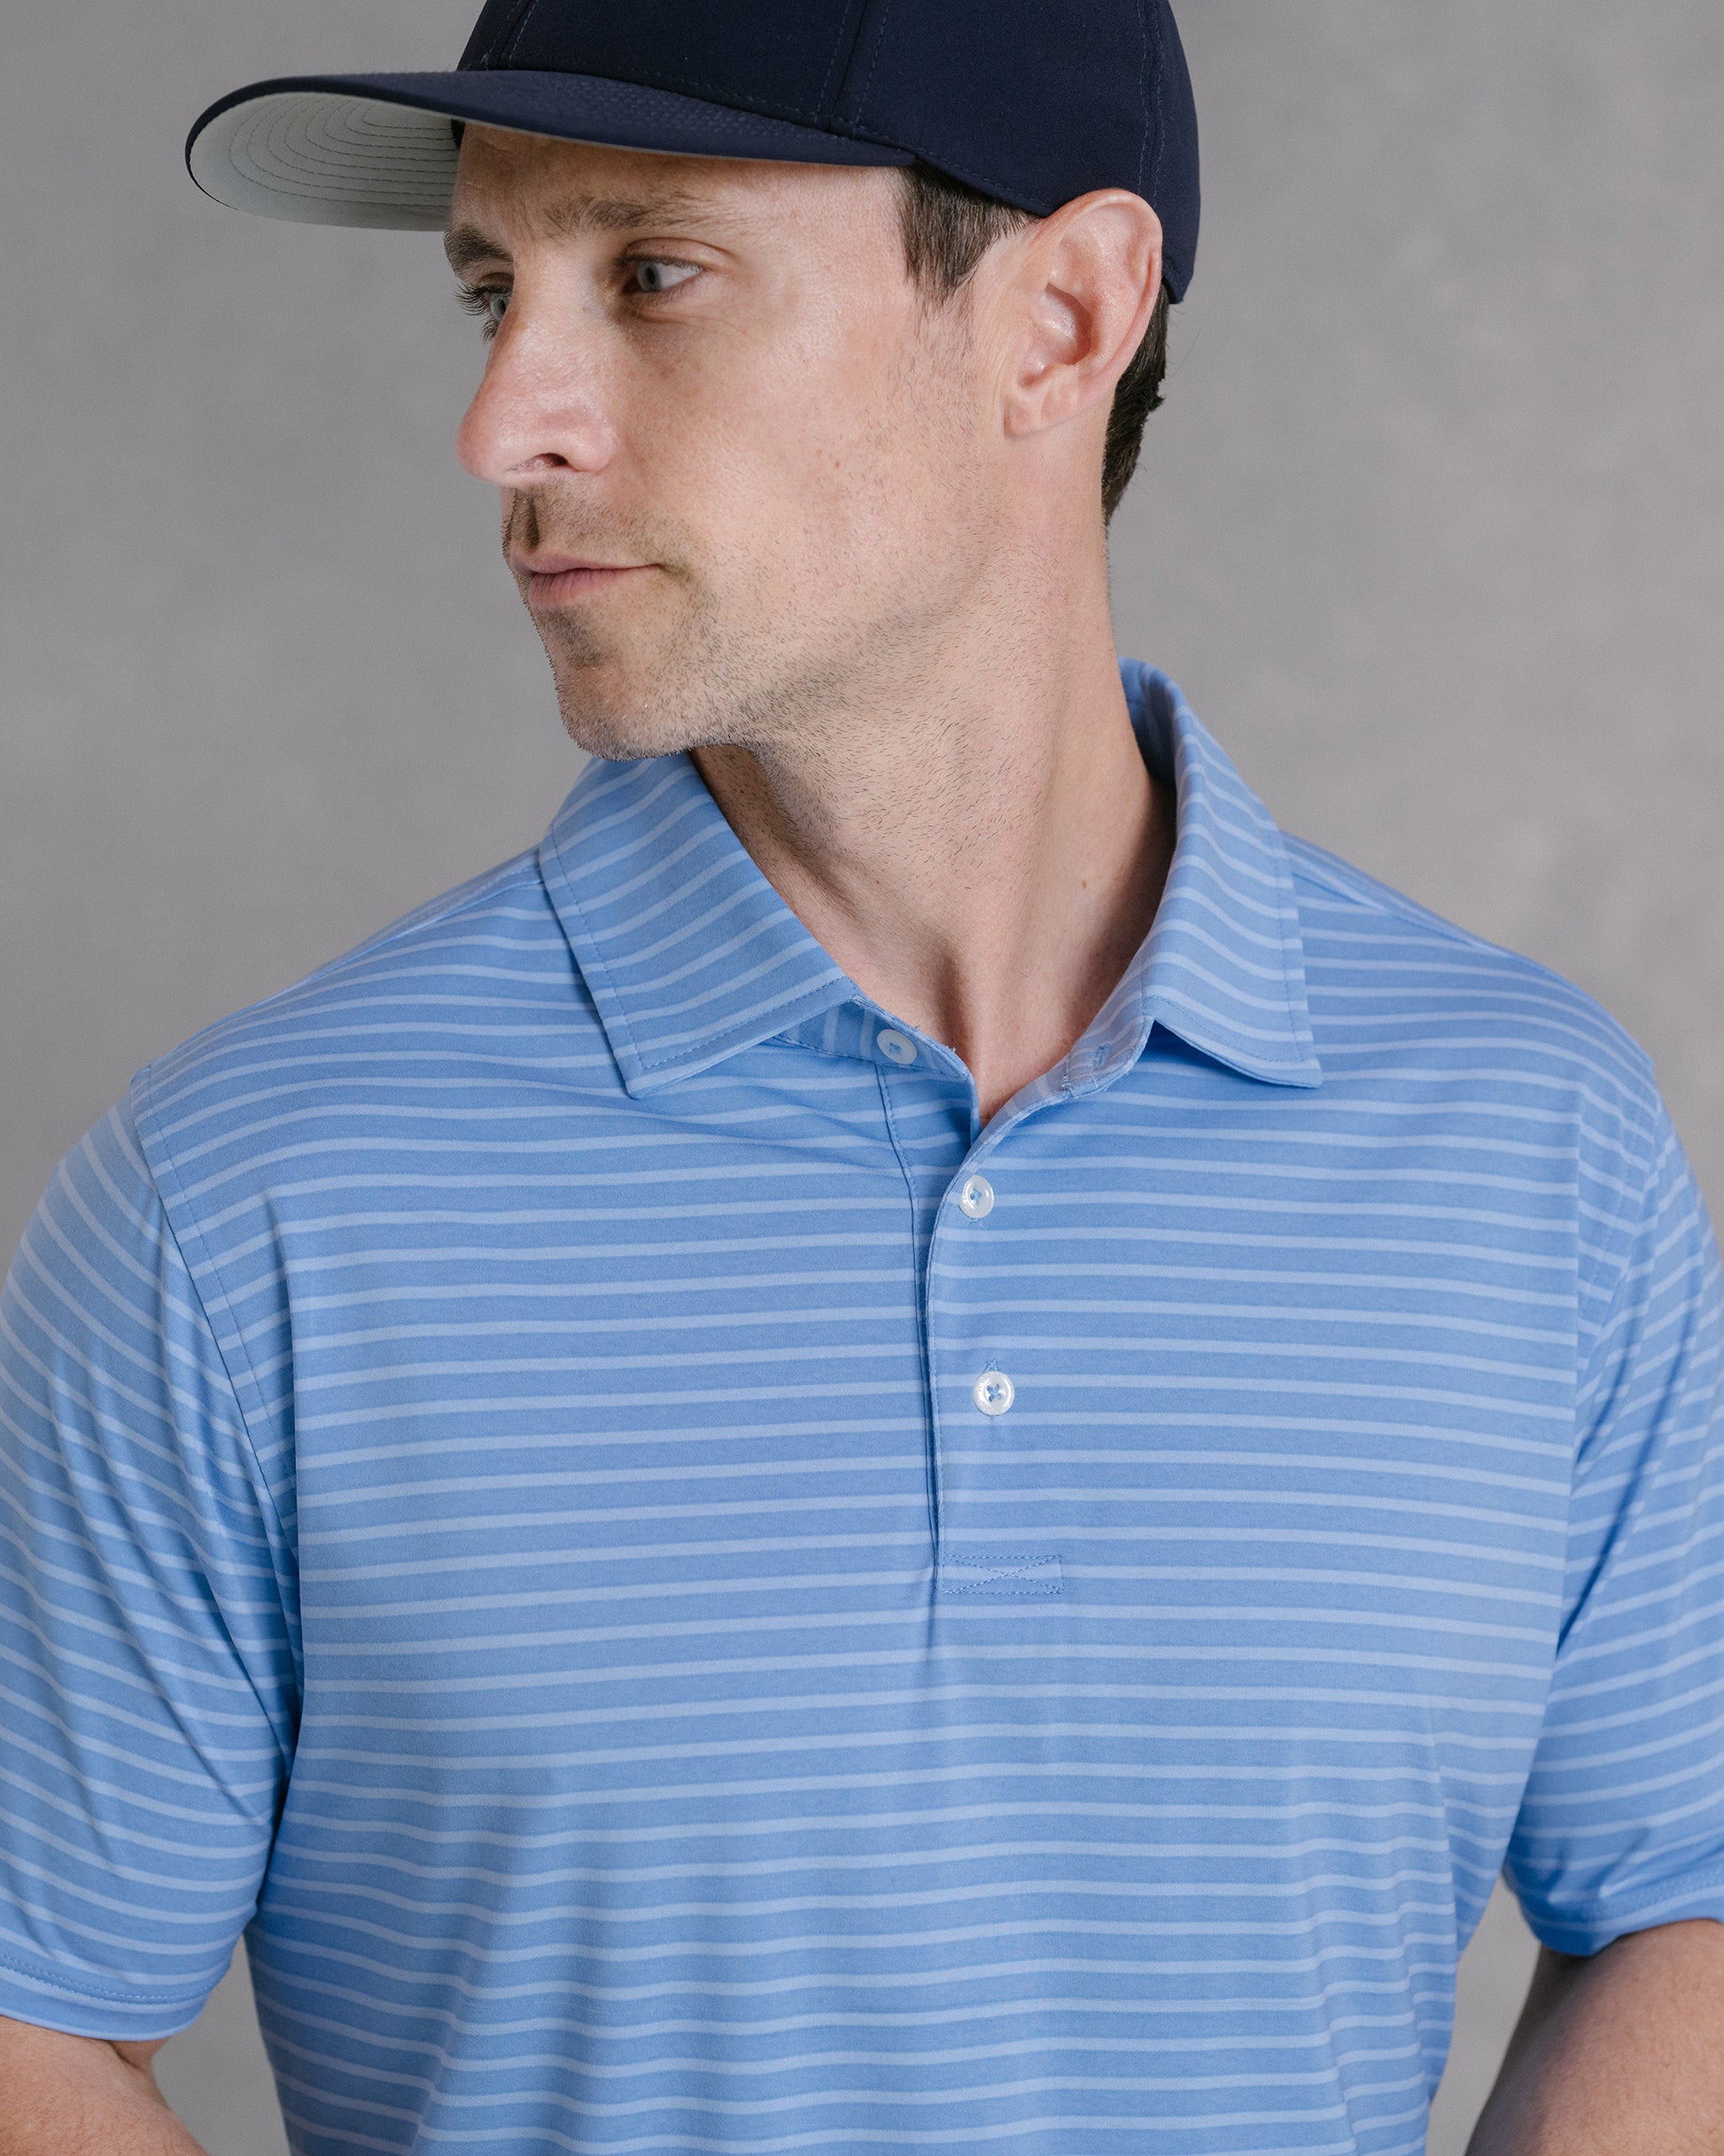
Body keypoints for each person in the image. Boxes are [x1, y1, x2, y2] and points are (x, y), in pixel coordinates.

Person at [2, 0, 1721, 2148]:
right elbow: (28, 2017)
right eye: (490, 289)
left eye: (651, 272)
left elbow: (1681, 1895)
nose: (502, 419)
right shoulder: (238, 1206)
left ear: (1060, 319)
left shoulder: (1532, 1150)